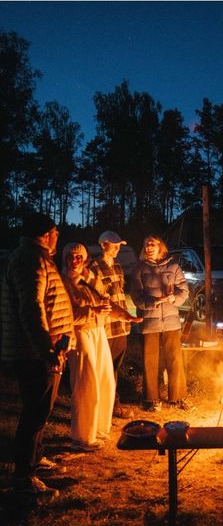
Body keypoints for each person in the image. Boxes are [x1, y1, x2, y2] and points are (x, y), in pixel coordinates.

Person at [0, 209, 75, 502]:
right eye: (56, 232)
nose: (58, 238)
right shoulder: (30, 260)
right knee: (35, 411)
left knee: (40, 410)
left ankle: (35, 459)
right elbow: (31, 310)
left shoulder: (38, 258)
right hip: (33, 352)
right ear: (46, 234)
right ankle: (23, 478)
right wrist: (47, 350)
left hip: (42, 349)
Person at [60, 242, 121, 451]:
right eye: (71, 256)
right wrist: (92, 312)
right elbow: (65, 314)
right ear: (65, 258)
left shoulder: (90, 278)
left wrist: (120, 314)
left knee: (105, 379)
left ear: (85, 259)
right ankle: (82, 436)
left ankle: (99, 428)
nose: (75, 261)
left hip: (98, 330)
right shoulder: (64, 281)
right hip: (79, 333)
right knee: (87, 382)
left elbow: (104, 299)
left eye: (79, 257)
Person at [130, 236, 189, 411]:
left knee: (174, 359)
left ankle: (177, 397)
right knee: (150, 361)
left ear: (160, 247)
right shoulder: (139, 269)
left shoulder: (174, 267)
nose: (149, 247)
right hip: (149, 321)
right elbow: (136, 295)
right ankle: (150, 399)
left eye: (152, 244)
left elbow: (184, 291)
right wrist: (151, 304)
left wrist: (175, 298)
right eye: (146, 244)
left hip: (171, 321)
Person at [87, 230, 141, 416]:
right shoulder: (94, 268)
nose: (118, 249)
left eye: (119, 245)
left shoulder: (117, 266)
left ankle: (111, 402)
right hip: (106, 326)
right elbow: (95, 298)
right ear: (103, 245)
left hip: (121, 327)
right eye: (115, 245)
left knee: (115, 367)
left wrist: (126, 316)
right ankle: (104, 405)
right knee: (104, 366)